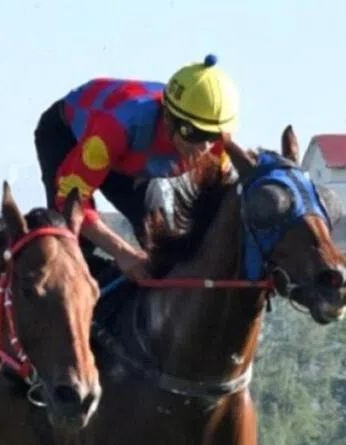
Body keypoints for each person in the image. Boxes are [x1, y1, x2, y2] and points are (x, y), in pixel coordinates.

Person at [34, 54, 239, 284]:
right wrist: (123, 253)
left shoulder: (217, 147)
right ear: (170, 120)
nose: (204, 148)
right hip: (70, 135)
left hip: (130, 159)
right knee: (75, 243)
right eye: (195, 134)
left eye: (212, 136)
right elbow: (69, 203)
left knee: (163, 242)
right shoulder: (115, 130)